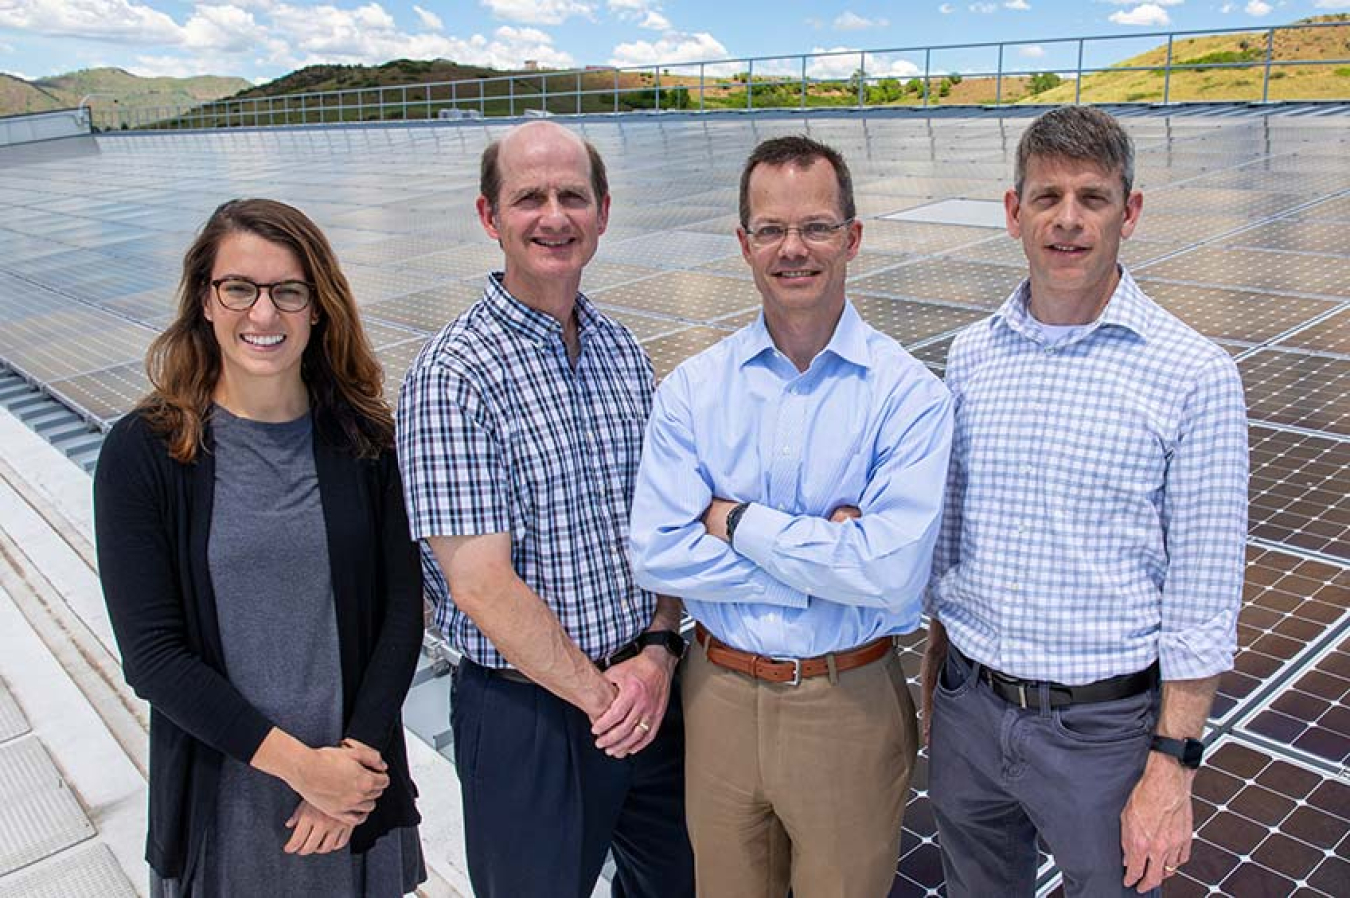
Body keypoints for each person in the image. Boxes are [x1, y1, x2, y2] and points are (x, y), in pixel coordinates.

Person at [922, 105, 1248, 897]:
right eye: (1047, 197)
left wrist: (1172, 767)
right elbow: (952, 538)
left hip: (1103, 735)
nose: (1068, 221)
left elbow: (1203, 596)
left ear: (1128, 213)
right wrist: (936, 691)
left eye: (1092, 198)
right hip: (969, 707)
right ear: (1013, 212)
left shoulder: (1193, 375)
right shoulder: (970, 357)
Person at [629, 135, 954, 898]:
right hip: (715, 698)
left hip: (848, 703)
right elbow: (655, 555)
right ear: (744, 244)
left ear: (853, 237)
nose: (793, 249)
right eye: (771, 229)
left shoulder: (908, 396)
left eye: (816, 226)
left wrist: (734, 519)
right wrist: (827, 561)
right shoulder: (694, 389)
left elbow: (890, 571)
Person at [396, 120, 694, 898]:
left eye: (572, 195)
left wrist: (660, 651)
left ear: (603, 211)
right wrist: (605, 700)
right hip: (530, 718)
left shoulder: (622, 351)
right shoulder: (451, 376)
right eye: (529, 197)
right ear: (490, 218)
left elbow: (663, 522)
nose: (553, 216)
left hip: (648, 687)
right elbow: (480, 584)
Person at [94, 198, 426, 897]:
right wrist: (308, 772)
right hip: (229, 803)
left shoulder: (365, 441)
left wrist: (352, 769)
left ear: (318, 307)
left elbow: (402, 609)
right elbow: (154, 659)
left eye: (289, 292)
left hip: (355, 795)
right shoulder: (144, 453)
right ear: (205, 301)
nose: (264, 315)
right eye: (239, 288)